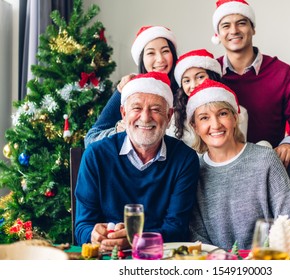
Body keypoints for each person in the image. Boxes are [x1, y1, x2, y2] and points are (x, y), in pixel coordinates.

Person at [74, 72, 199, 251]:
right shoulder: (95, 155)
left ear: (169, 115)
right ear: (123, 113)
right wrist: (94, 235)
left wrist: (136, 239)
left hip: (160, 261)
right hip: (108, 257)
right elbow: (82, 228)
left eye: (156, 109)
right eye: (137, 108)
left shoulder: (184, 159)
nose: (146, 117)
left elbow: (177, 229)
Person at [187, 78, 290, 250]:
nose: (215, 124)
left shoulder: (265, 159)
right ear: (195, 126)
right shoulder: (193, 170)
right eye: (204, 118)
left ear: (235, 118)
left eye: (222, 114)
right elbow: (195, 235)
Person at [211, 0, 290, 167]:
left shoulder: (282, 72)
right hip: (220, 170)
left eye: (241, 23)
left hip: (268, 170)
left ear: (253, 28)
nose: (234, 31)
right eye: (226, 26)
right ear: (218, 34)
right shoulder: (210, 74)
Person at [84, 25, 179, 148]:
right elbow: (91, 138)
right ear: (142, 59)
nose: (160, 59)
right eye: (151, 53)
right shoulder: (129, 88)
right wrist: (118, 131)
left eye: (165, 51)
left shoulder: (187, 86)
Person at [165, 48, 248, 146]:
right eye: (187, 81)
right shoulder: (175, 117)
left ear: (212, 76)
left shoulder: (239, 112)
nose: (193, 85)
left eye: (200, 77)